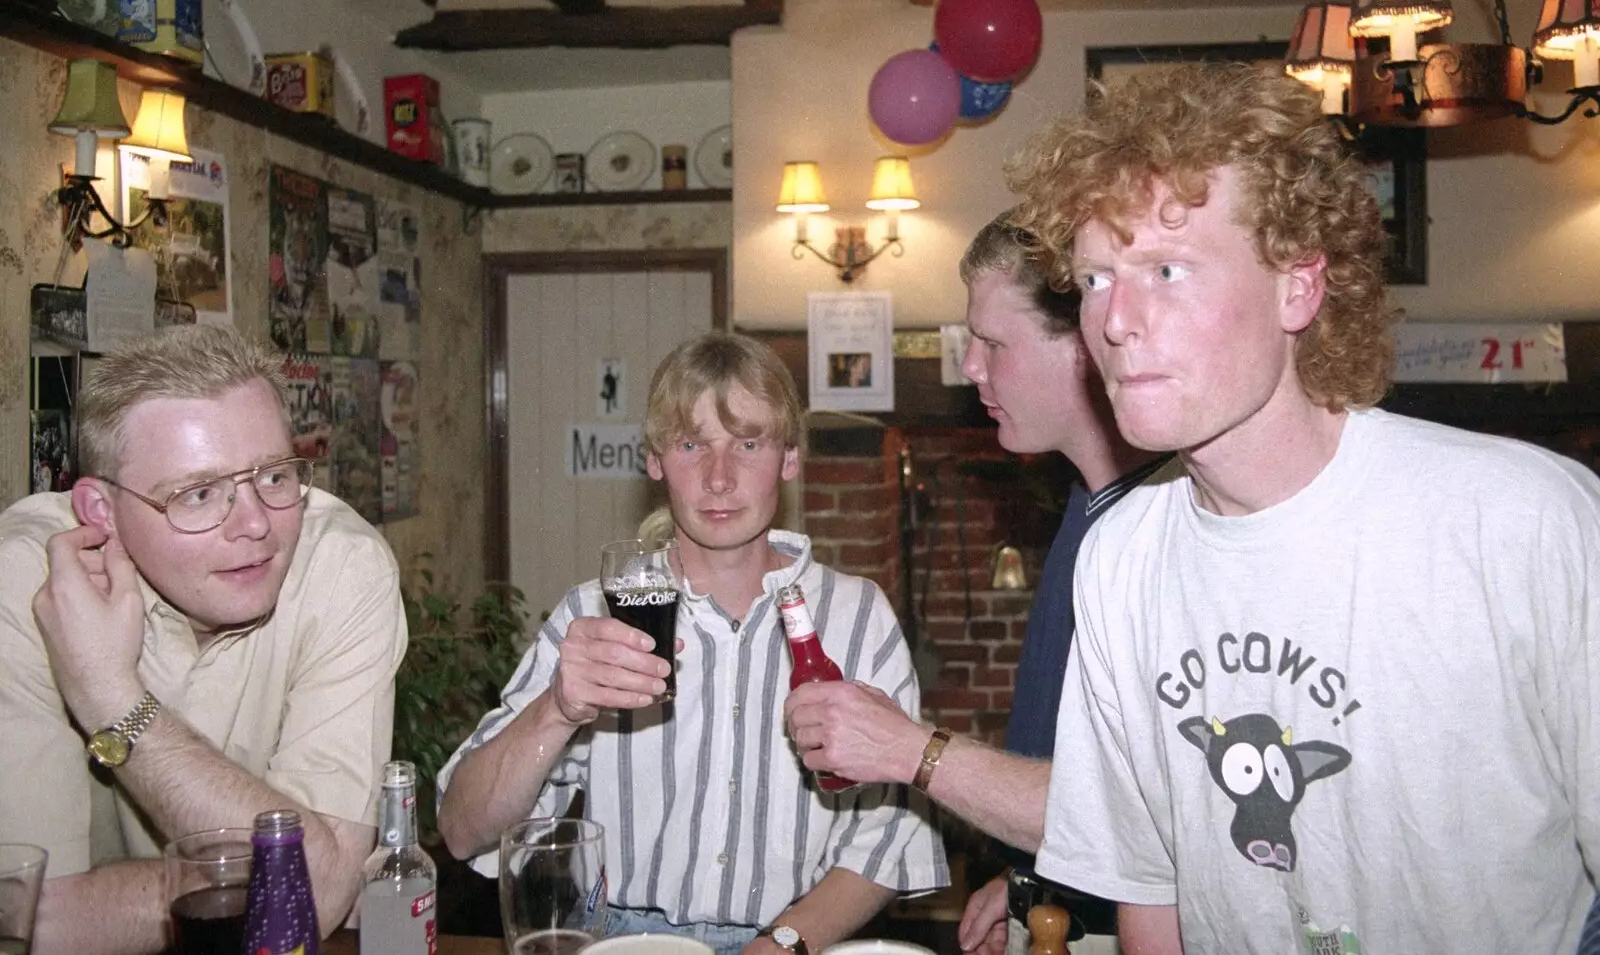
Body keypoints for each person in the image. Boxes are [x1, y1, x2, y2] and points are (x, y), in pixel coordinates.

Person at [1002, 61, 1600, 953]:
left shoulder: (1521, 521)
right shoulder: (1121, 551)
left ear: (1300, 286)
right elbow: (1147, 892)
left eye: (1166, 268)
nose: (1116, 321)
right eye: (1093, 280)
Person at [436, 331, 947, 955]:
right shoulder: (593, 615)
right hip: (625, 940)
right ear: (654, 461)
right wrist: (557, 709)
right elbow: (461, 831)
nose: (719, 478)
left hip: (794, 939)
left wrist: (783, 941)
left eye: (748, 445)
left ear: (789, 458)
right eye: (690, 445)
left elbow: (890, 834)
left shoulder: (857, 616)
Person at [784, 215, 1171, 955]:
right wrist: (1034, 882)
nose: (970, 368)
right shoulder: (1091, 509)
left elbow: (1137, 814)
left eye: (993, 343)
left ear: (1085, 347)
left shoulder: (1160, 527)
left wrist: (911, 750)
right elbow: (1078, 772)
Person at [0, 325, 406, 955]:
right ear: (99, 512)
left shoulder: (341, 566)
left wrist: (113, 697)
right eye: (198, 494)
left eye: (274, 476)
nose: (255, 526)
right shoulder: (24, 585)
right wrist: (260, 884)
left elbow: (314, 898)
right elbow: (20, 916)